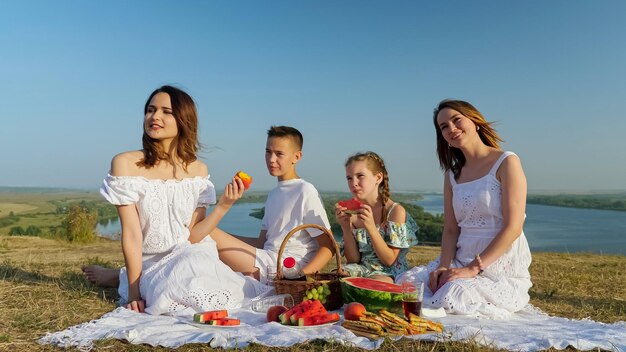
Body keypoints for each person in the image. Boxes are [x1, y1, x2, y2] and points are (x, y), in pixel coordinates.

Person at [85, 85, 269, 315]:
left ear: (183, 119)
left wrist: (224, 205)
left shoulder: (198, 170)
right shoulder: (125, 163)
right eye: (150, 110)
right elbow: (131, 234)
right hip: (154, 264)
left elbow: (193, 236)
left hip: (193, 256)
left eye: (166, 111)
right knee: (178, 291)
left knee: (217, 289)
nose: (155, 116)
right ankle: (123, 277)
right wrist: (133, 293)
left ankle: (115, 276)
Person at [397, 99, 532, 318]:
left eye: (456, 119)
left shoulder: (506, 162)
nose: (451, 128)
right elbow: (451, 229)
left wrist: (472, 269)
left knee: (454, 293)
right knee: (408, 284)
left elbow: (513, 227)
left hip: (497, 266)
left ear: (475, 121)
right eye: (443, 127)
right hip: (460, 260)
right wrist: (443, 266)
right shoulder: (452, 175)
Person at [207, 126, 335, 284]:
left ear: (297, 156)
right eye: (268, 152)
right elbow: (262, 243)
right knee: (207, 234)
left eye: (279, 154)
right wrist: (223, 236)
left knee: (205, 231)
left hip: (285, 269)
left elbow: (328, 246)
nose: (271, 159)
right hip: (266, 261)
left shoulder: (305, 191)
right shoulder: (273, 194)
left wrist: (299, 277)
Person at [335, 152, 418, 283]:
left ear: (378, 178)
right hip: (362, 270)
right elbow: (353, 260)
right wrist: (345, 228)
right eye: (349, 178)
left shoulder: (395, 211)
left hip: (388, 273)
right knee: (335, 277)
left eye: (360, 176)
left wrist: (371, 227)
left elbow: (389, 260)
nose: (354, 183)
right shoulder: (353, 213)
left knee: (374, 284)